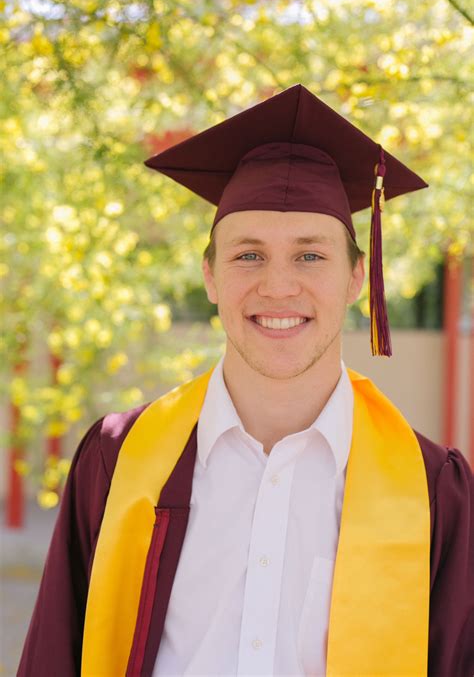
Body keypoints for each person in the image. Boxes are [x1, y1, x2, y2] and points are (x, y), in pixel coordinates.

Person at [19, 84, 473, 677]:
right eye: (247, 255)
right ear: (209, 276)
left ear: (358, 278)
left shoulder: (434, 489)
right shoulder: (117, 459)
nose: (278, 287)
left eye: (310, 256)